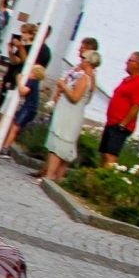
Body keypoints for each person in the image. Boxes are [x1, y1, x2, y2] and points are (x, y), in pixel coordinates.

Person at [36, 49, 100, 184]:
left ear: (89, 62)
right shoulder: (91, 78)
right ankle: (58, 178)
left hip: (69, 113)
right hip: (69, 112)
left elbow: (75, 97)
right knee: (64, 145)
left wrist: (63, 86)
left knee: (59, 144)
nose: (81, 60)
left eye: (83, 58)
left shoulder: (85, 78)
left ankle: (49, 176)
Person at [99, 50, 139, 167]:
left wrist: (123, 124)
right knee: (103, 153)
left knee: (110, 155)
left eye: (130, 60)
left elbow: (136, 106)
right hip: (111, 122)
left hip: (120, 125)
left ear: (138, 64)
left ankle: (106, 177)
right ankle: (97, 175)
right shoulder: (127, 80)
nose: (126, 63)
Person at [0, 64, 45, 159]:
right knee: (13, 125)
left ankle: (5, 148)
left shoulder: (33, 82)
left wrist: (19, 80)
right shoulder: (34, 83)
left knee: (15, 128)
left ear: (34, 74)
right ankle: (4, 145)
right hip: (27, 107)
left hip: (28, 108)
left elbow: (23, 91)